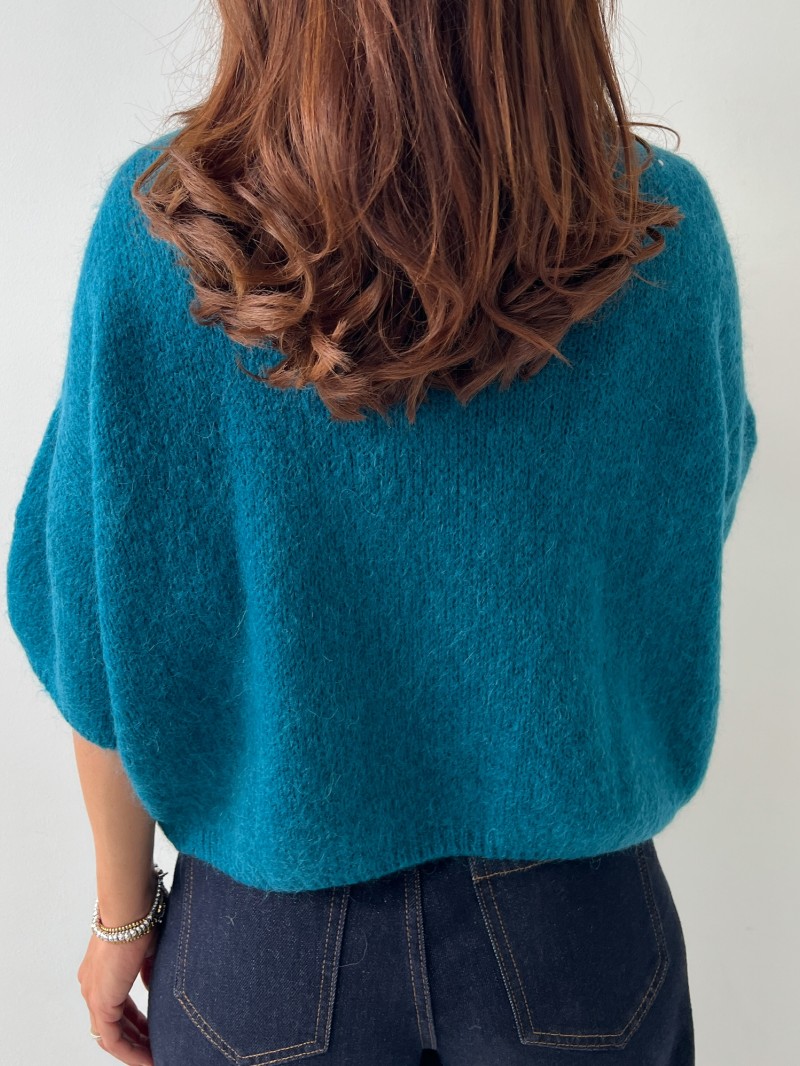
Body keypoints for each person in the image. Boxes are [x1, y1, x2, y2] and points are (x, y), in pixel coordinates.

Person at [5, 2, 758, 1064]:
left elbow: (92, 630)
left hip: (265, 938)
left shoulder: (165, 238)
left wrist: (122, 918)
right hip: (574, 929)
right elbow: (687, 534)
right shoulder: (658, 232)